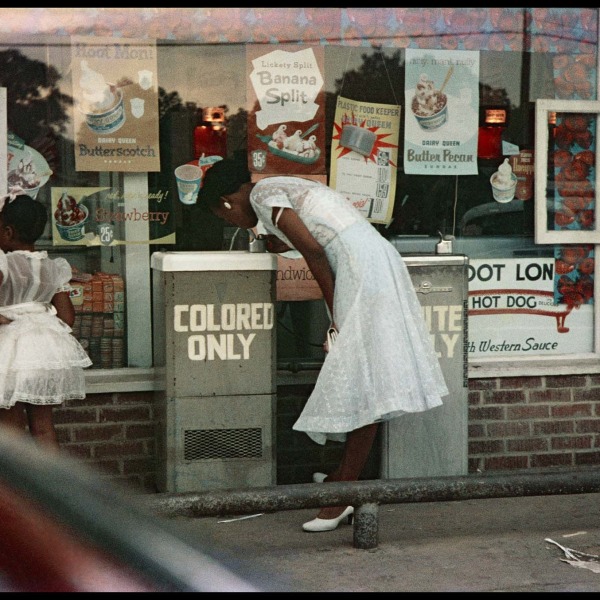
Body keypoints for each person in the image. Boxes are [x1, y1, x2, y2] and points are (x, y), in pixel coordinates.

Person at [198, 158, 449, 532]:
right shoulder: (274, 189)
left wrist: (336, 314)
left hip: (359, 268)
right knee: (365, 376)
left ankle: (343, 492)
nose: (229, 223)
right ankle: (341, 480)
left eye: (222, 217)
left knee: (363, 377)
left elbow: (314, 251)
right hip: (369, 260)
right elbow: (319, 230)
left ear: (226, 202)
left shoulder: (265, 194)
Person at [0, 193, 92, 451]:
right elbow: (67, 317)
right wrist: (38, 314)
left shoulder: (4, 263)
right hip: (44, 352)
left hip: (8, 352)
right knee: (43, 427)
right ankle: (50, 485)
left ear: (8, 231)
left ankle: (16, 490)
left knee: (10, 428)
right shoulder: (54, 267)